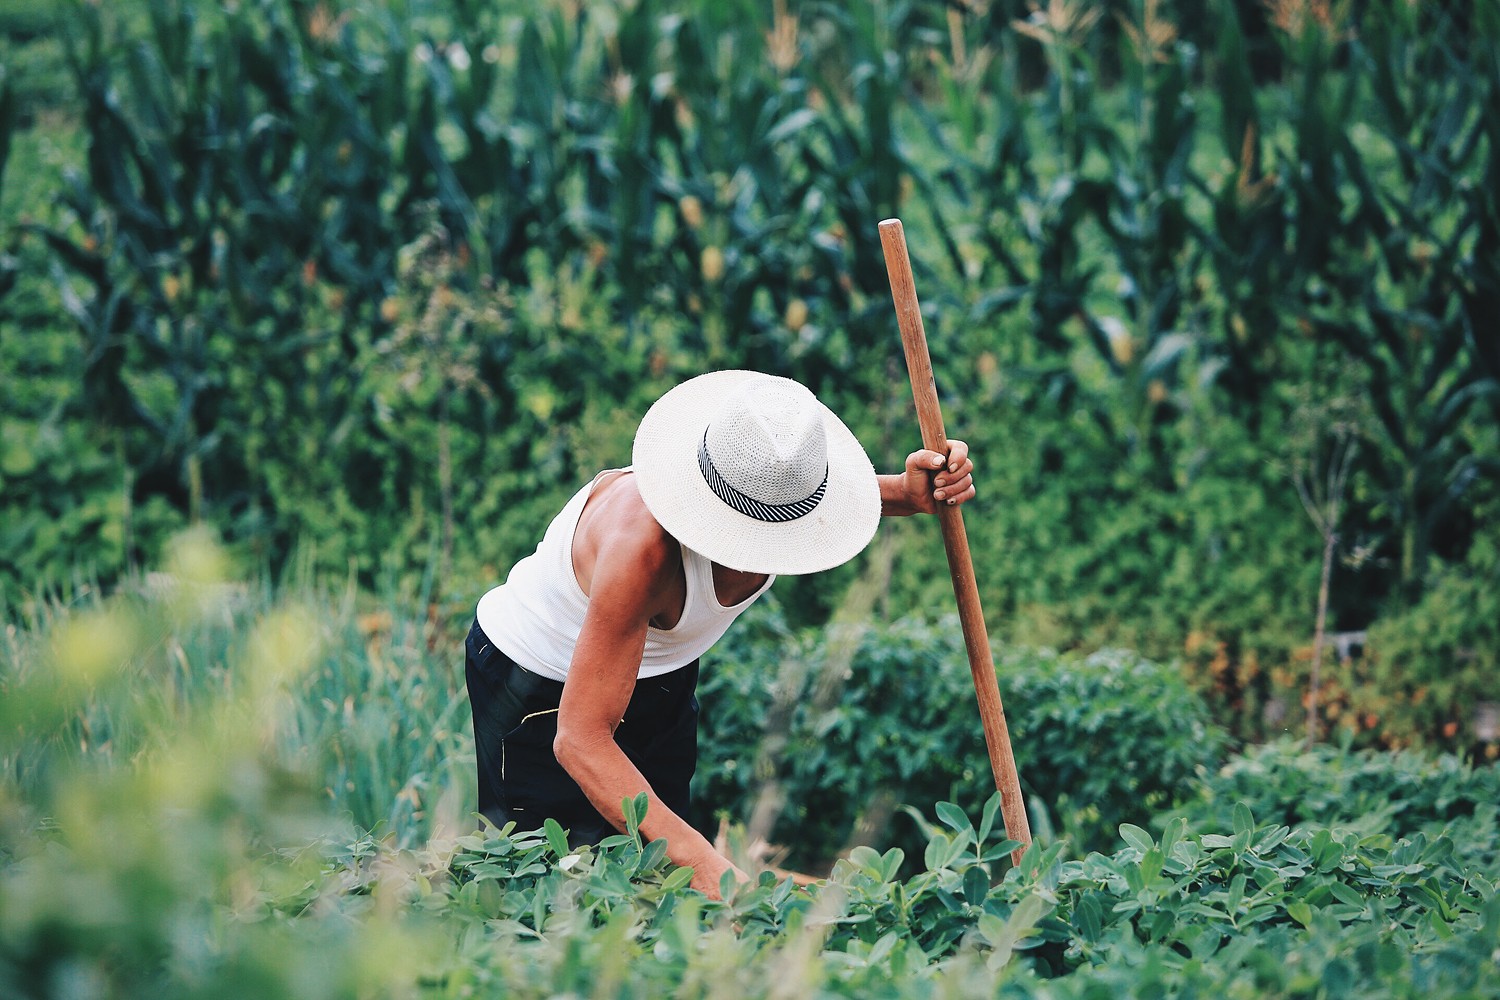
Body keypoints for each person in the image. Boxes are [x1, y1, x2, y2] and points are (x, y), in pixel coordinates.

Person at [464, 370, 976, 897]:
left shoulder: (776, 485)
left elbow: (794, 499)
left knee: (658, 882)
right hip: (538, 686)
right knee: (556, 886)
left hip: (657, 672)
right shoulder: (639, 552)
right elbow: (580, 741)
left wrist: (905, 493)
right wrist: (709, 865)